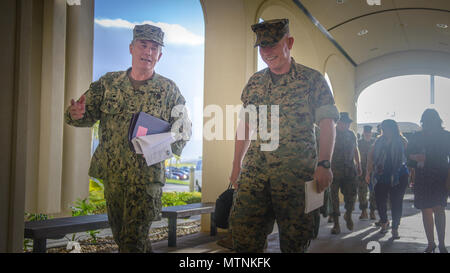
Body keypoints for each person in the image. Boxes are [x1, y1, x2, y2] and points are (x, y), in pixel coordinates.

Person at [65, 24, 191, 252]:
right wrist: (75, 114)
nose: (148, 52)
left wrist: (160, 145)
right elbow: (84, 115)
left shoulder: (169, 90)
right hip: (112, 176)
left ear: (160, 56)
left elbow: (183, 131)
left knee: (133, 241)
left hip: (146, 179)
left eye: (154, 48)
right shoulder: (107, 84)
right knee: (124, 238)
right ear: (131, 48)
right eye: (143, 45)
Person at [228, 19, 339, 253]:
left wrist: (324, 163)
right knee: (243, 233)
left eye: (272, 45)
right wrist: (236, 165)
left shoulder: (312, 80)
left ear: (289, 42)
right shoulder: (255, 83)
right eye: (262, 47)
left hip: (296, 176)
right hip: (256, 174)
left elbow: (328, 123)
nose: (267, 52)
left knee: (295, 241)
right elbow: (245, 125)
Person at [407, 109, 449, 253]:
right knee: (434, 210)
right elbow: (407, 155)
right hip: (429, 177)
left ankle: (436, 244)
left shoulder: (444, 136)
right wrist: (415, 157)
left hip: (435, 177)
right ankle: (436, 244)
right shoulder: (443, 136)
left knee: (434, 210)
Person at [366, 119, 408, 239]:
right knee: (380, 201)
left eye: (387, 129)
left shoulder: (402, 141)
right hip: (381, 175)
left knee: (396, 202)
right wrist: (368, 172)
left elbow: (408, 159)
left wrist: (412, 174)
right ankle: (384, 222)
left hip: (399, 176)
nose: (385, 131)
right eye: (383, 129)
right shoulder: (379, 141)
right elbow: (371, 156)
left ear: (394, 129)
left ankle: (395, 228)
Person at [329, 112, 362, 234]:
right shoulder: (332, 133)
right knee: (334, 197)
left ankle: (348, 214)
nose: (347, 125)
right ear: (339, 122)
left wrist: (359, 164)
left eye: (348, 123)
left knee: (352, 195)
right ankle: (336, 224)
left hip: (349, 169)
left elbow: (355, 149)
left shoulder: (351, 134)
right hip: (334, 170)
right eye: (345, 123)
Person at [358, 125, 377, 220]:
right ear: (363, 133)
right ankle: (363, 211)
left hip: (373, 171)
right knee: (362, 192)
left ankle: (372, 211)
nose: (367, 134)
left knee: (373, 192)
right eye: (366, 132)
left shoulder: (375, 142)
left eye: (369, 133)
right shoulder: (359, 143)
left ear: (371, 133)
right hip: (362, 171)